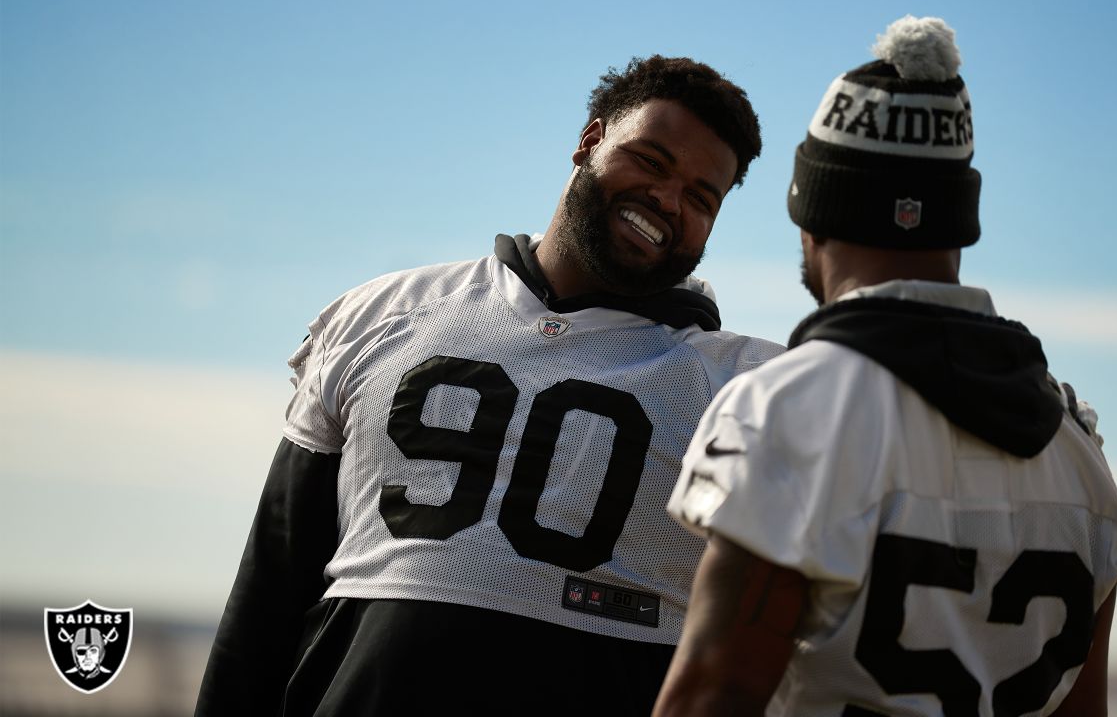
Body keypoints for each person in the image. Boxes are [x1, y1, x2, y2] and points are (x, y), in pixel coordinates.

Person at [197, 55, 783, 715]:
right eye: (651, 161)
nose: (668, 200)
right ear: (590, 142)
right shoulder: (381, 314)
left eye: (702, 197)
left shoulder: (748, 388)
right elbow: (267, 601)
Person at [656, 16, 1117, 717]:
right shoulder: (1078, 448)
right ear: (957, 227)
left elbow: (716, 692)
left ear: (814, 215)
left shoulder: (793, 406)